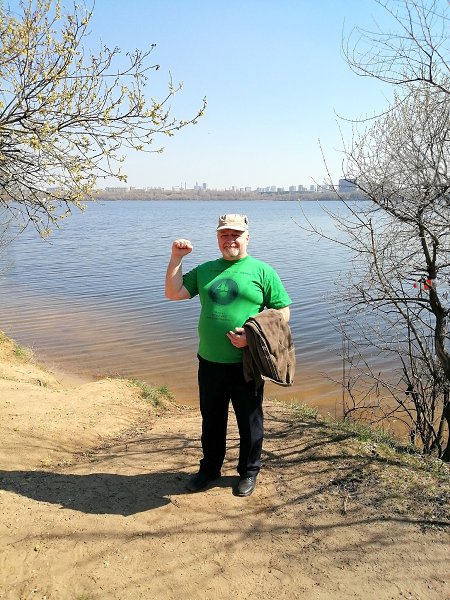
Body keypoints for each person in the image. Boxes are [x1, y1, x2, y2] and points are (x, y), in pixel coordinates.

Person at [165, 214, 292, 497]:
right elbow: (173, 293)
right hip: (209, 362)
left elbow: (283, 312)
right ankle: (210, 469)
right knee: (211, 420)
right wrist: (176, 258)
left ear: (247, 237)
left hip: (246, 364)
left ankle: (248, 472)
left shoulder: (262, 271)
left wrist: (253, 336)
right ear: (217, 238)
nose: (230, 240)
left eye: (236, 235)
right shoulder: (206, 270)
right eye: (224, 235)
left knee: (249, 422)